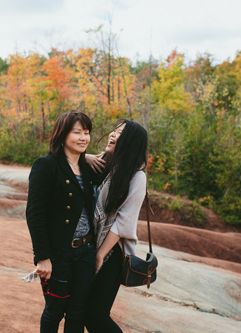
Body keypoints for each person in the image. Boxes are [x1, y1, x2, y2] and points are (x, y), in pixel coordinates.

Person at [26, 111, 98, 333]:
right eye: (77, 132)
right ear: (63, 134)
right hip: (59, 254)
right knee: (55, 309)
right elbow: (34, 214)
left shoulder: (87, 167)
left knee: (78, 311)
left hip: (86, 250)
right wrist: (42, 257)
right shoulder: (46, 165)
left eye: (86, 133)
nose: (83, 138)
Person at [84, 120, 149, 333]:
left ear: (130, 142)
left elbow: (124, 222)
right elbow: (59, 160)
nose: (112, 135)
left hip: (111, 253)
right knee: (81, 311)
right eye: (114, 130)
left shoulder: (137, 177)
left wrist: (100, 255)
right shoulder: (102, 164)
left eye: (119, 133)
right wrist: (84, 157)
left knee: (96, 315)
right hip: (87, 246)